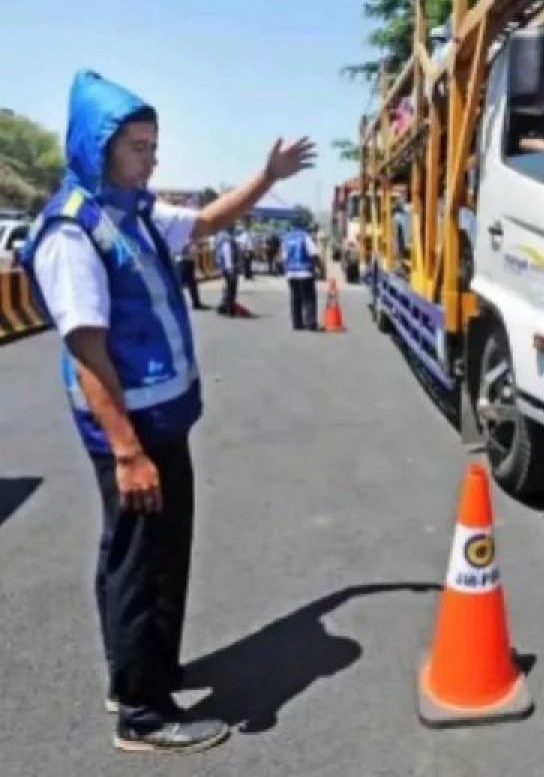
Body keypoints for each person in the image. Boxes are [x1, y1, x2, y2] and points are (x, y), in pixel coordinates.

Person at [20, 69, 314, 754]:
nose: (151, 159)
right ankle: (143, 715)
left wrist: (265, 178)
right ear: (98, 151)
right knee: (142, 564)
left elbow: (209, 220)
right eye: (138, 148)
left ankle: (137, 671)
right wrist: (127, 451)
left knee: (143, 556)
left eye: (155, 145)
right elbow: (89, 351)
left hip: (162, 420)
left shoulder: (136, 211)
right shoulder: (73, 233)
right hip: (135, 431)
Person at [283, 221, 321, 331]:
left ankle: (297, 323)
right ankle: (310, 323)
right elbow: (313, 253)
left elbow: (284, 257)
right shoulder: (305, 237)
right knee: (309, 298)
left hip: (291, 273)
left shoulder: (287, 238)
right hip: (305, 272)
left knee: (295, 299)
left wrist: (287, 269)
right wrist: (319, 267)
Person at [174, 242, 206, 310]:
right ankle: (181, 304)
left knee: (192, 284)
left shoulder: (187, 238)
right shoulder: (178, 239)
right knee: (180, 284)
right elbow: (179, 250)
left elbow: (193, 249)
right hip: (182, 262)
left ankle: (196, 303)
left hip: (188, 261)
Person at [215, 226, 239, 315]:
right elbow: (227, 253)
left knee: (226, 287)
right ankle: (229, 309)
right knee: (231, 289)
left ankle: (224, 306)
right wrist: (230, 268)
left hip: (224, 267)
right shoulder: (227, 239)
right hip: (229, 267)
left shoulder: (220, 237)